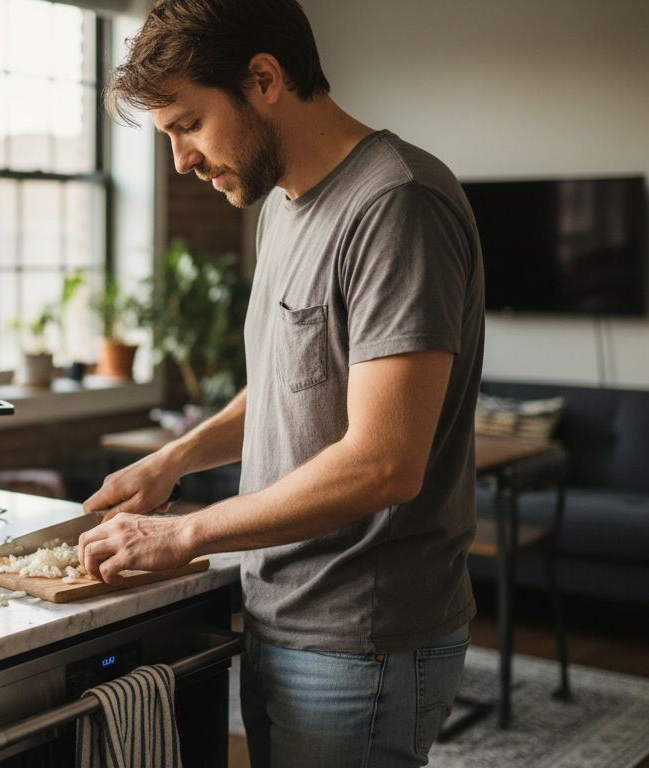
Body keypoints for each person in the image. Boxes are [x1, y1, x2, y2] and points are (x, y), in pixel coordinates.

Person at [77, 1, 485, 765]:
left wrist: (185, 532)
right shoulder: (285, 209)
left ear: (264, 78)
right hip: (283, 612)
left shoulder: (397, 203)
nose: (181, 162)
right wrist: (174, 460)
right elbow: (286, 382)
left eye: (188, 125)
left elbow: (385, 462)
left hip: (361, 635)